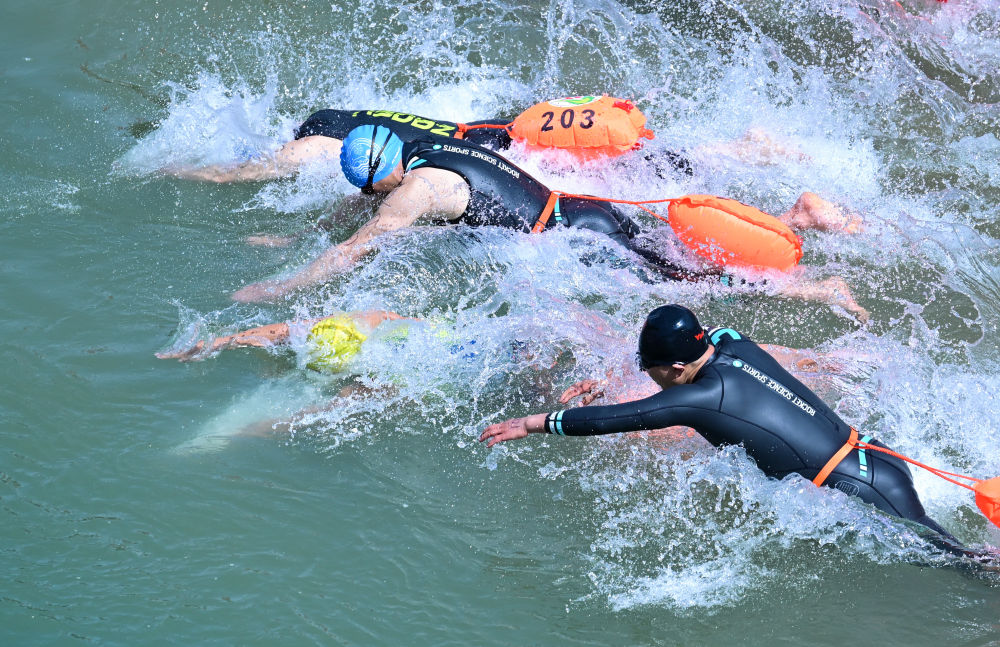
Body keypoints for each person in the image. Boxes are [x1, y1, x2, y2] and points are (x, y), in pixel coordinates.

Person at [231, 125, 868, 321]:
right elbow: (368, 210)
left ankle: (816, 289)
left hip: (581, 240)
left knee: (687, 283)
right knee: (682, 259)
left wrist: (284, 286)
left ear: (378, 177)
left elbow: (361, 244)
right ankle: (795, 218)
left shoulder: (415, 192)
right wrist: (298, 236)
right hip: (581, 209)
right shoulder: (421, 154)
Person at [478, 304, 961, 547]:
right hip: (876, 457)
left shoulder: (701, 399)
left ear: (673, 369)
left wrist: (533, 423)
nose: (649, 377)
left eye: (650, 370)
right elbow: (687, 342)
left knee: (962, 560)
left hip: (862, 492)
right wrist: (612, 376)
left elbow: (621, 418)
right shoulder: (731, 341)